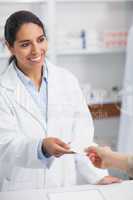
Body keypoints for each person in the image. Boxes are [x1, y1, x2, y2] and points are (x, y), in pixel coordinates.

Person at [0, 10, 120, 192]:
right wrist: (41, 147)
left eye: (40, 40)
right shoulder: (3, 89)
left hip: (64, 187)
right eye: (25, 44)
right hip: (21, 190)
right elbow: (5, 145)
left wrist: (99, 177)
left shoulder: (66, 80)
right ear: (9, 47)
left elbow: (81, 136)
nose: (36, 50)